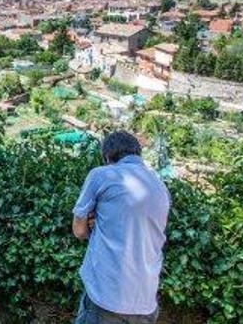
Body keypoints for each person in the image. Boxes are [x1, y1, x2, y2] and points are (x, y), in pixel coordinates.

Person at [72, 131, 171, 324]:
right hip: (146, 303)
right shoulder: (160, 186)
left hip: (107, 297)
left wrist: (94, 223)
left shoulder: (102, 175)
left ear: (107, 157)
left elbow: (79, 230)